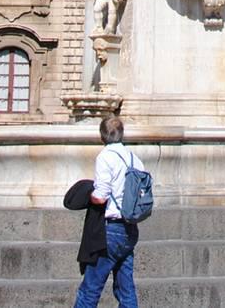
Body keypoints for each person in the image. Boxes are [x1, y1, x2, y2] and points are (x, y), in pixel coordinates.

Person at [73, 114, 144, 308]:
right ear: (121, 134)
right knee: (126, 290)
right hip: (130, 229)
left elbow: (101, 196)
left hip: (110, 230)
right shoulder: (135, 159)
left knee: (90, 288)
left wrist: (87, 195)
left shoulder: (105, 157)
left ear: (102, 136)